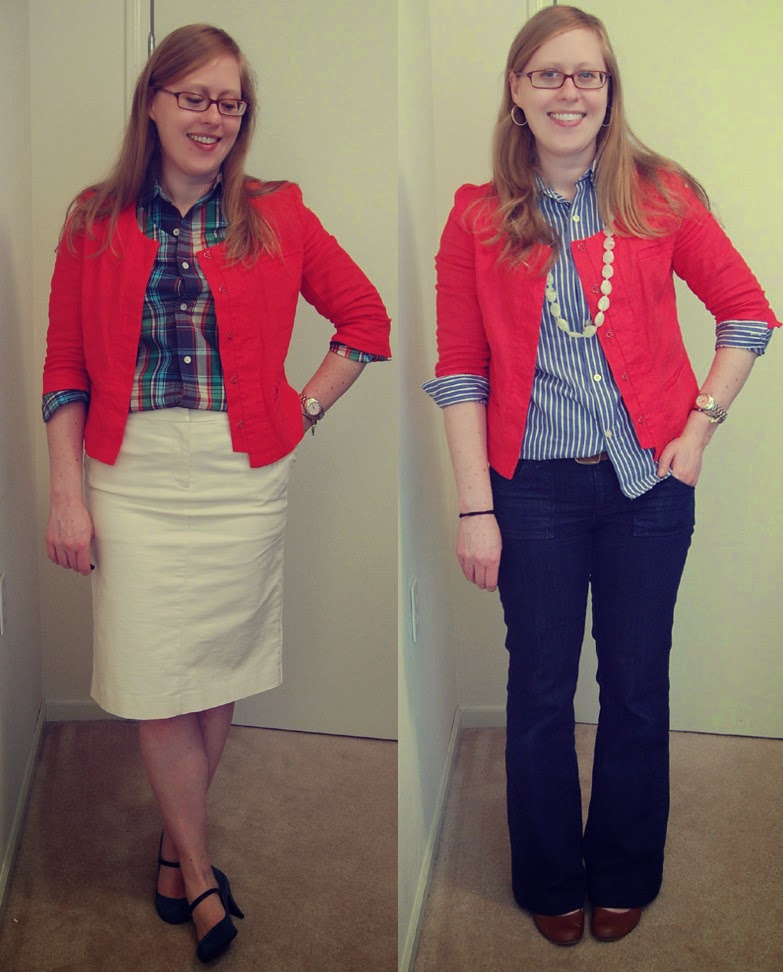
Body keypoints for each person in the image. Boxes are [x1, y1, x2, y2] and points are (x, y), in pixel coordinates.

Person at [424, 4, 779, 948]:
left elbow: (747, 314)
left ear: (610, 91)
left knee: (634, 684)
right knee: (540, 691)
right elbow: (459, 371)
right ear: (516, 88)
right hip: (531, 491)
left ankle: (624, 869)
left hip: (647, 489)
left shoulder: (660, 197)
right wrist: (474, 509)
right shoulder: (477, 217)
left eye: (587, 74)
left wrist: (699, 429)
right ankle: (549, 874)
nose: (569, 91)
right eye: (548, 73)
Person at [42, 24, 390, 964]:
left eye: (229, 102)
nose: (213, 117)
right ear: (152, 104)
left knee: (216, 666)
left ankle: (173, 848)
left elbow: (366, 321)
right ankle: (198, 870)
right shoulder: (93, 218)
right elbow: (64, 368)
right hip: (132, 474)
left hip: (243, 476)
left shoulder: (277, 213)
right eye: (193, 96)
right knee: (158, 675)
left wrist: (300, 412)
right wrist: (67, 493)